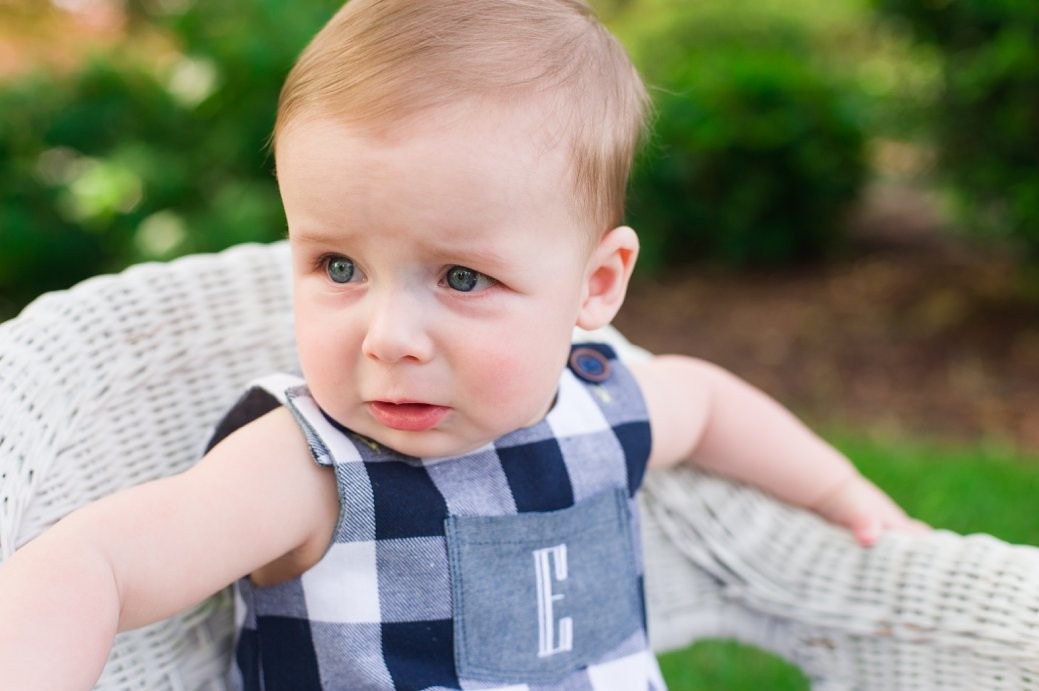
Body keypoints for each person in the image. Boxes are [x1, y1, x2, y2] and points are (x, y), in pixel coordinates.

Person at [0, 0, 925, 688]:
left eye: (462, 278)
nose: (390, 338)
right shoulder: (310, 467)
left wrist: (840, 490)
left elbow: (713, 404)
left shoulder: (607, 402)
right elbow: (93, 564)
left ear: (595, 284)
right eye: (337, 266)